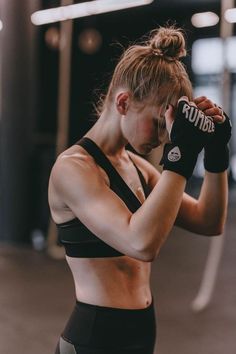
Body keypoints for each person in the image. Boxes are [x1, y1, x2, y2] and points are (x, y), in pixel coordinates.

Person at [48, 25, 231, 354]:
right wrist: (181, 155)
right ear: (123, 102)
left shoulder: (135, 165)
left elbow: (209, 221)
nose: (163, 138)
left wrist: (216, 156)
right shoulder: (72, 169)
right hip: (94, 339)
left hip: (142, 331)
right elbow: (141, 242)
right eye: (159, 124)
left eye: (169, 128)